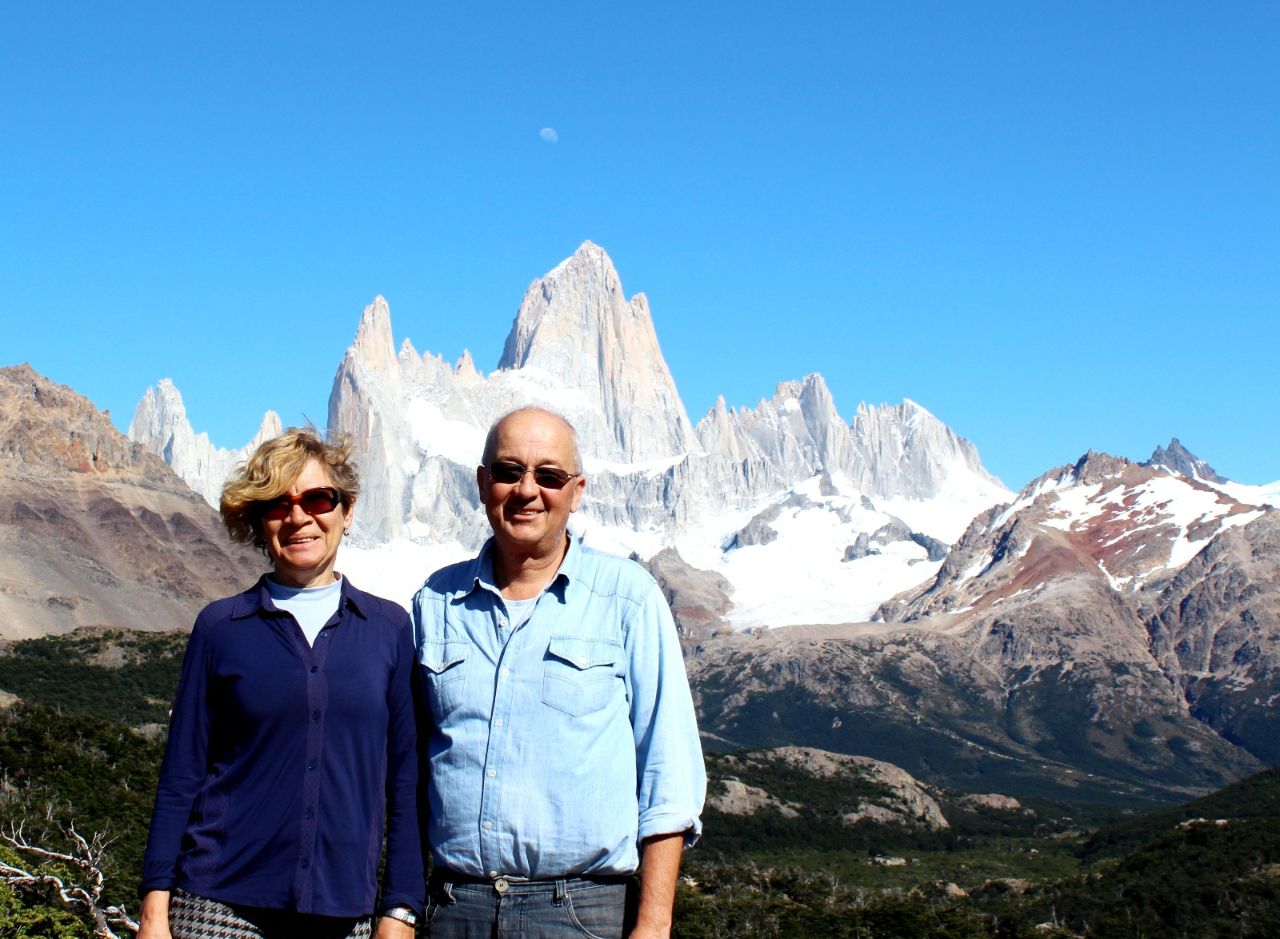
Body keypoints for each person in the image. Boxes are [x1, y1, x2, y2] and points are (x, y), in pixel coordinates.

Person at [412, 407, 706, 938]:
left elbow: (669, 770)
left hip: (581, 911)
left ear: (576, 490)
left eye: (548, 476)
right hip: (454, 908)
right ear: (482, 484)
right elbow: (407, 770)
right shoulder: (435, 602)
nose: (527, 491)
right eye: (508, 471)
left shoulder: (627, 597)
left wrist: (654, 923)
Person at [138, 429, 423, 939]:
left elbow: (403, 782)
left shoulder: (389, 629)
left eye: (317, 498)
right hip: (216, 908)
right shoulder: (221, 628)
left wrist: (400, 909)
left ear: (346, 510)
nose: (298, 517)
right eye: (276, 504)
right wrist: (154, 911)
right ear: (256, 519)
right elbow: (182, 775)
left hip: (344, 915)